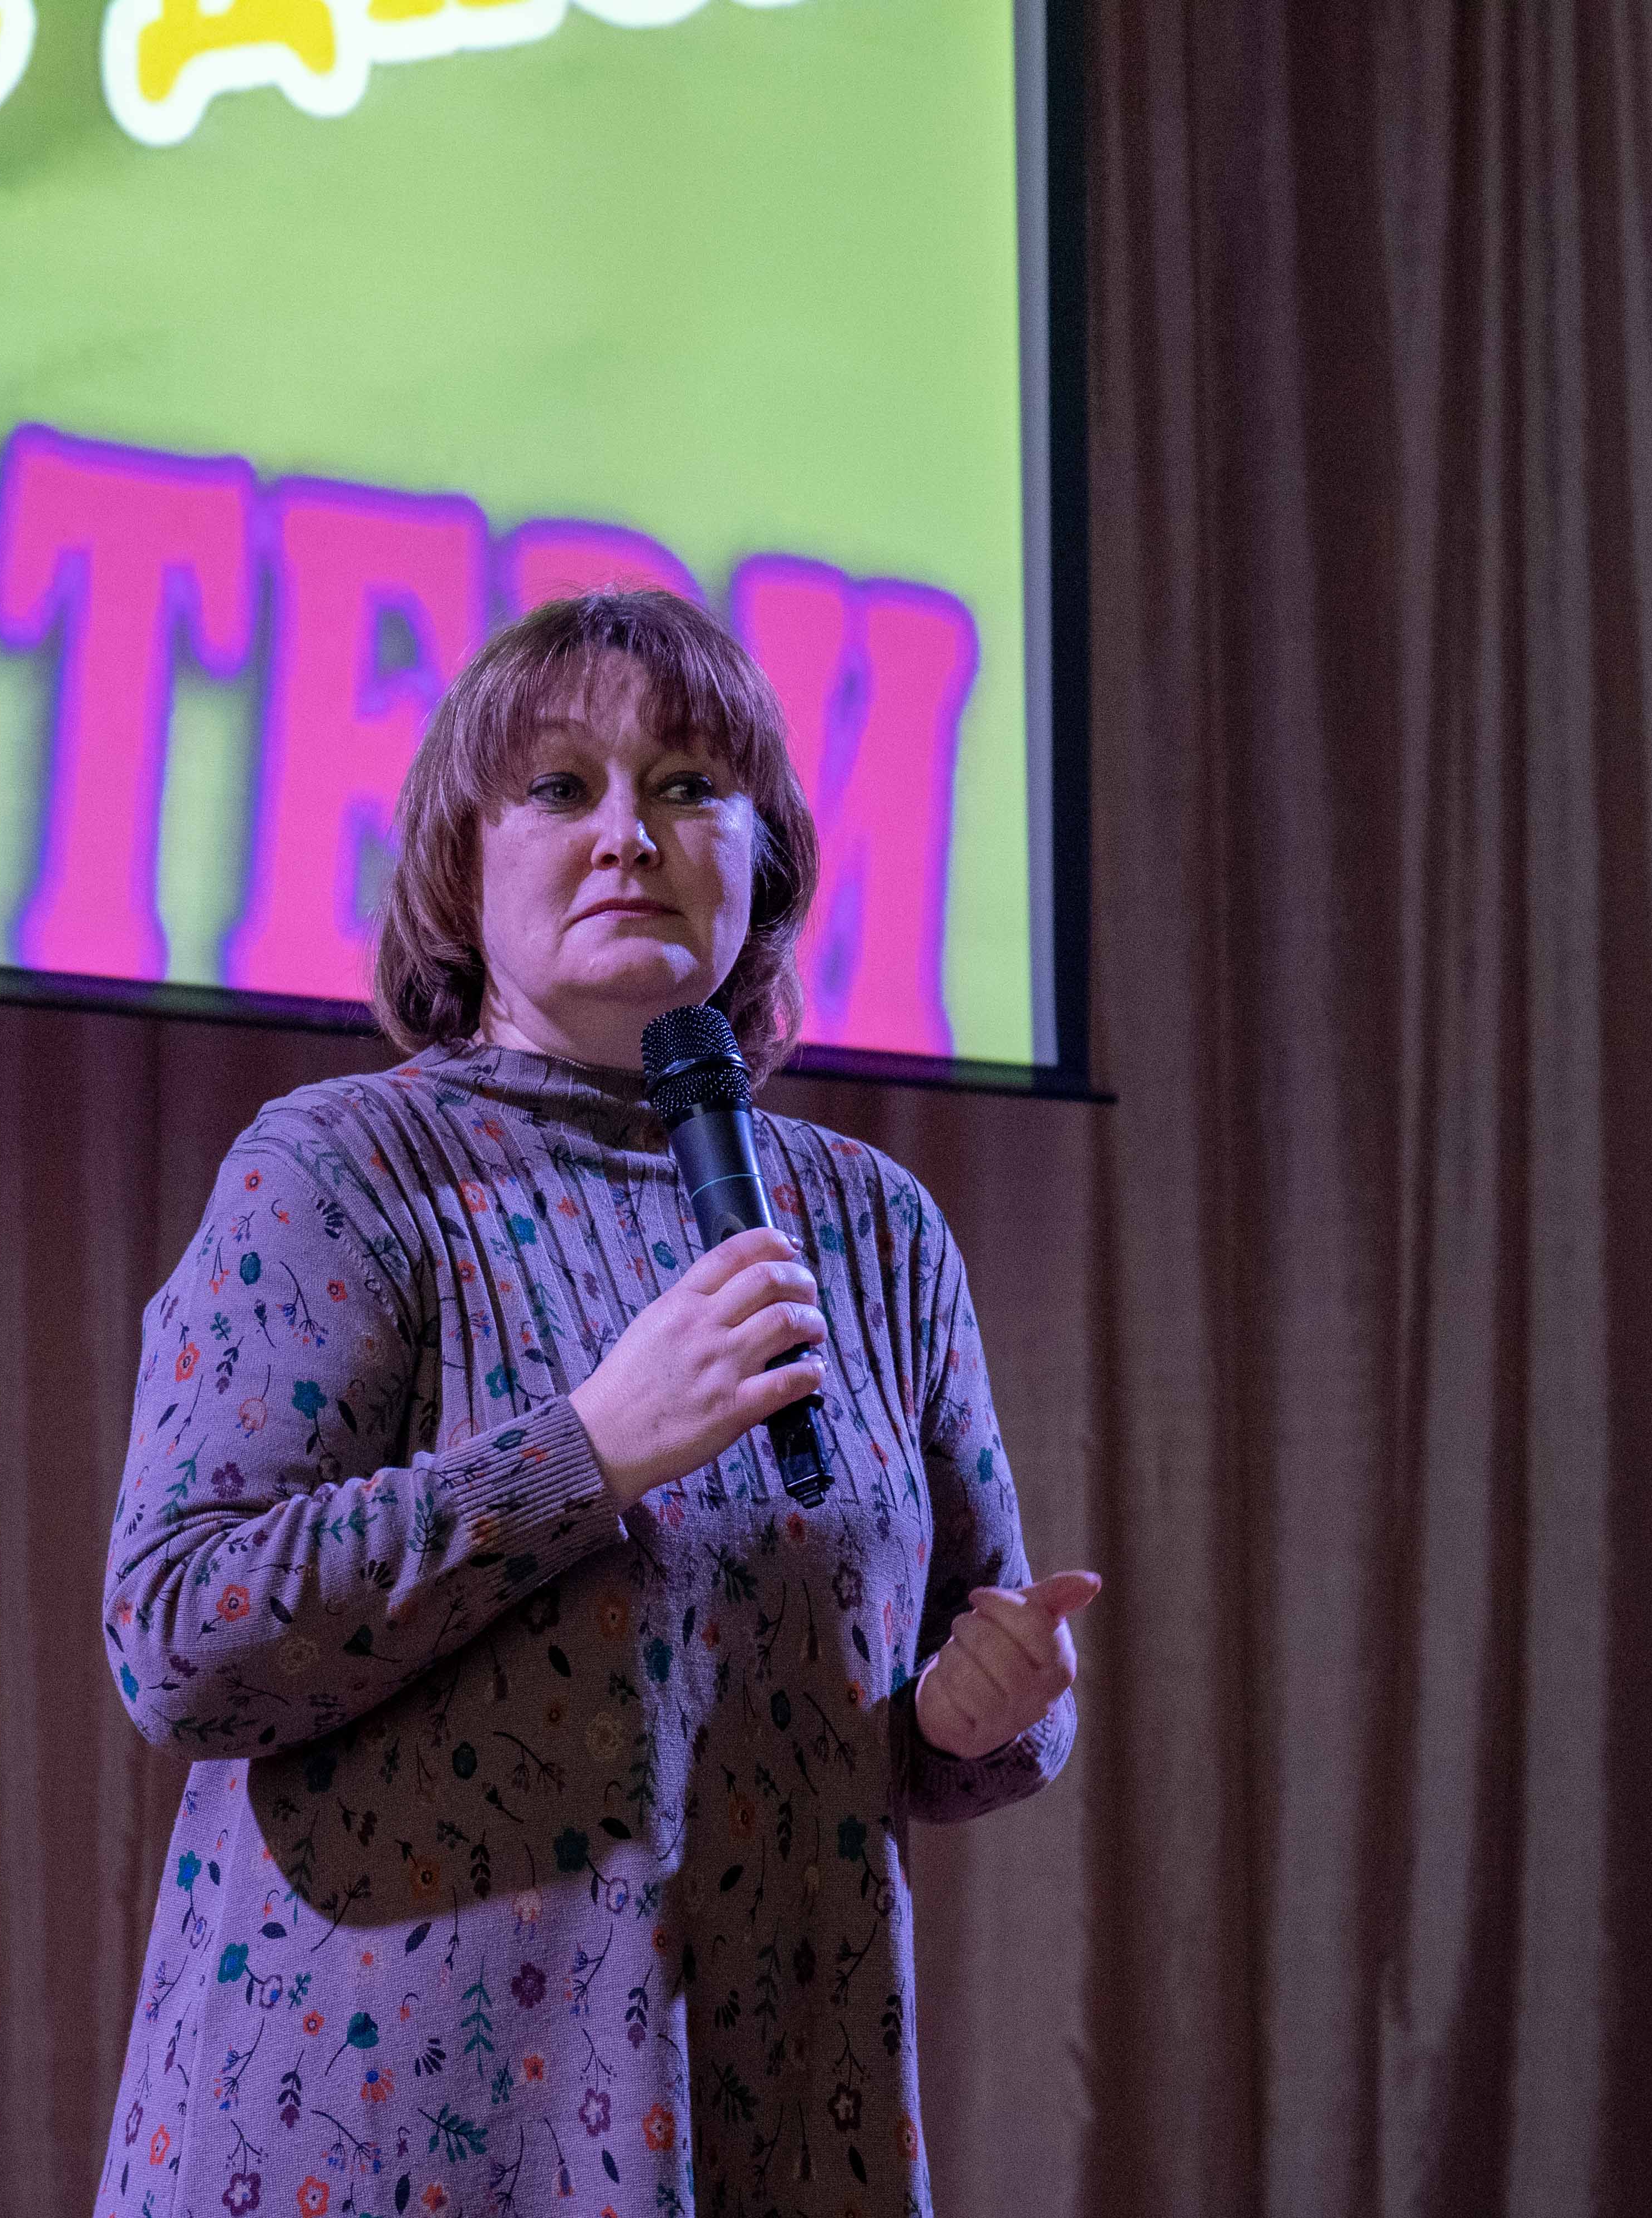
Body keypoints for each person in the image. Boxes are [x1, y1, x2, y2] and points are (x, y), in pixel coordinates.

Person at [94, 589, 1100, 2218]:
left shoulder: (874, 1228)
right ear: (459, 868)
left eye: (691, 787)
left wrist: (986, 1712)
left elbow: (960, 1680)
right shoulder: (344, 1171)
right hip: (388, 2141)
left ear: (763, 863)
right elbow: (179, 1636)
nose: (630, 834)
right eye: (562, 789)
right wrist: (592, 1450)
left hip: (774, 2115)